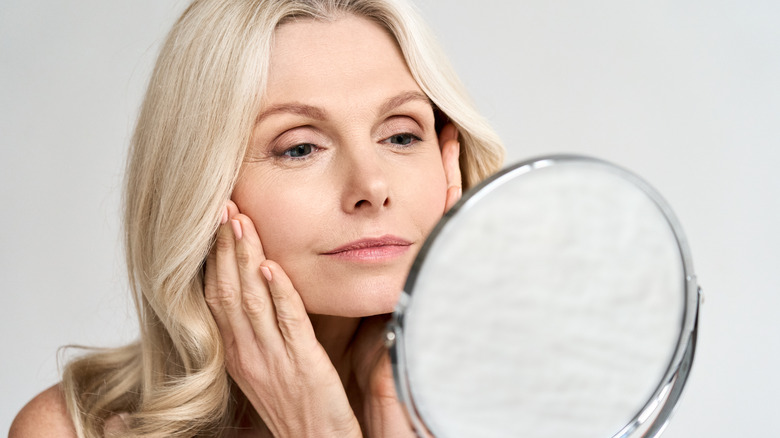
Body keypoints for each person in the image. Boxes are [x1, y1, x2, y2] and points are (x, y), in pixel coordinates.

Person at [11, 0, 504, 436]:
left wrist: (383, 404)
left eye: (400, 136)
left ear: (448, 162)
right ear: (203, 189)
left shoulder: (527, 408)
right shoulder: (74, 430)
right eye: (300, 147)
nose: (372, 188)